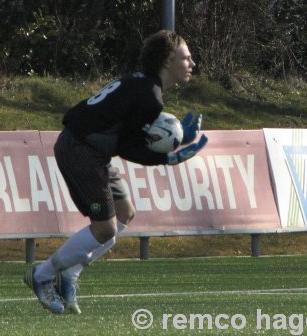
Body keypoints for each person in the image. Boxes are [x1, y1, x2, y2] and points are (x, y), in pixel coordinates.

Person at [24, 29, 208, 314]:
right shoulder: (150, 97)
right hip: (81, 149)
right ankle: (42, 275)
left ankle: (70, 275)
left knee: (125, 214)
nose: (192, 64)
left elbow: (129, 137)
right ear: (169, 59)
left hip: (93, 150)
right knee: (105, 228)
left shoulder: (143, 86)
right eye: (187, 57)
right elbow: (128, 147)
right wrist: (168, 159)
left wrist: (177, 141)